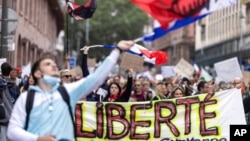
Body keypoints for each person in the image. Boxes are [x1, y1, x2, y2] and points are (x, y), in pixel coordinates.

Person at [7, 40, 134, 141]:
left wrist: (117, 50)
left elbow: (96, 79)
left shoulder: (67, 92)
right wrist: (37, 138)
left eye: (54, 64)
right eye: (47, 64)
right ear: (37, 74)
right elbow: (12, 131)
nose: (54, 65)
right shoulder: (26, 98)